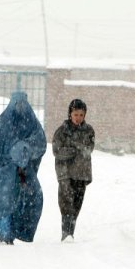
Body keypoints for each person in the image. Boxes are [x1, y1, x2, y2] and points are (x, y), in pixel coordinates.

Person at [0, 91, 47, 245]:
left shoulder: (32, 124)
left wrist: (25, 149)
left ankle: (14, 232)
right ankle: (5, 235)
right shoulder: (2, 123)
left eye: (22, 104)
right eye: (16, 104)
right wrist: (5, 164)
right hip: (0, 170)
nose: (19, 108)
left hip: (24, 173)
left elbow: (40, 143)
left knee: (30, 198)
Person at [52, 98, 95, 242]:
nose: (78, 118)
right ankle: (66, 234)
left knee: (76, 205)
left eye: (81, 115)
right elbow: (57, 151)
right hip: (65, 173)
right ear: (70, 114)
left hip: (82, 174)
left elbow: (89, 150)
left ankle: (71, 232)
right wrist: (74, 150)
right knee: (66, 204)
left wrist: (76, 148)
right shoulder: (62, 131)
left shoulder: (88, 131)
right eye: (76, 114)